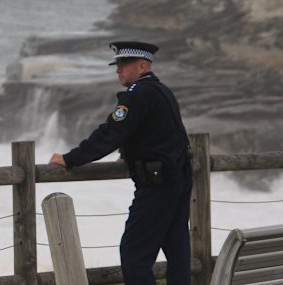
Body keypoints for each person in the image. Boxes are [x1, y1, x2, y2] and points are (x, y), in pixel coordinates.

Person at [49, 41, 193, 285]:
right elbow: (158, 133)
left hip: (157, 184)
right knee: (177, 251)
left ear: (143, 66)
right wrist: (128, 153)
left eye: (124, 65)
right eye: (117, 65)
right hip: (178, 180)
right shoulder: (161, 91)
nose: (118, 70)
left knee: (134, 254)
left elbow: (111, 132)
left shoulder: (138, 94)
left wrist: (69, 159)